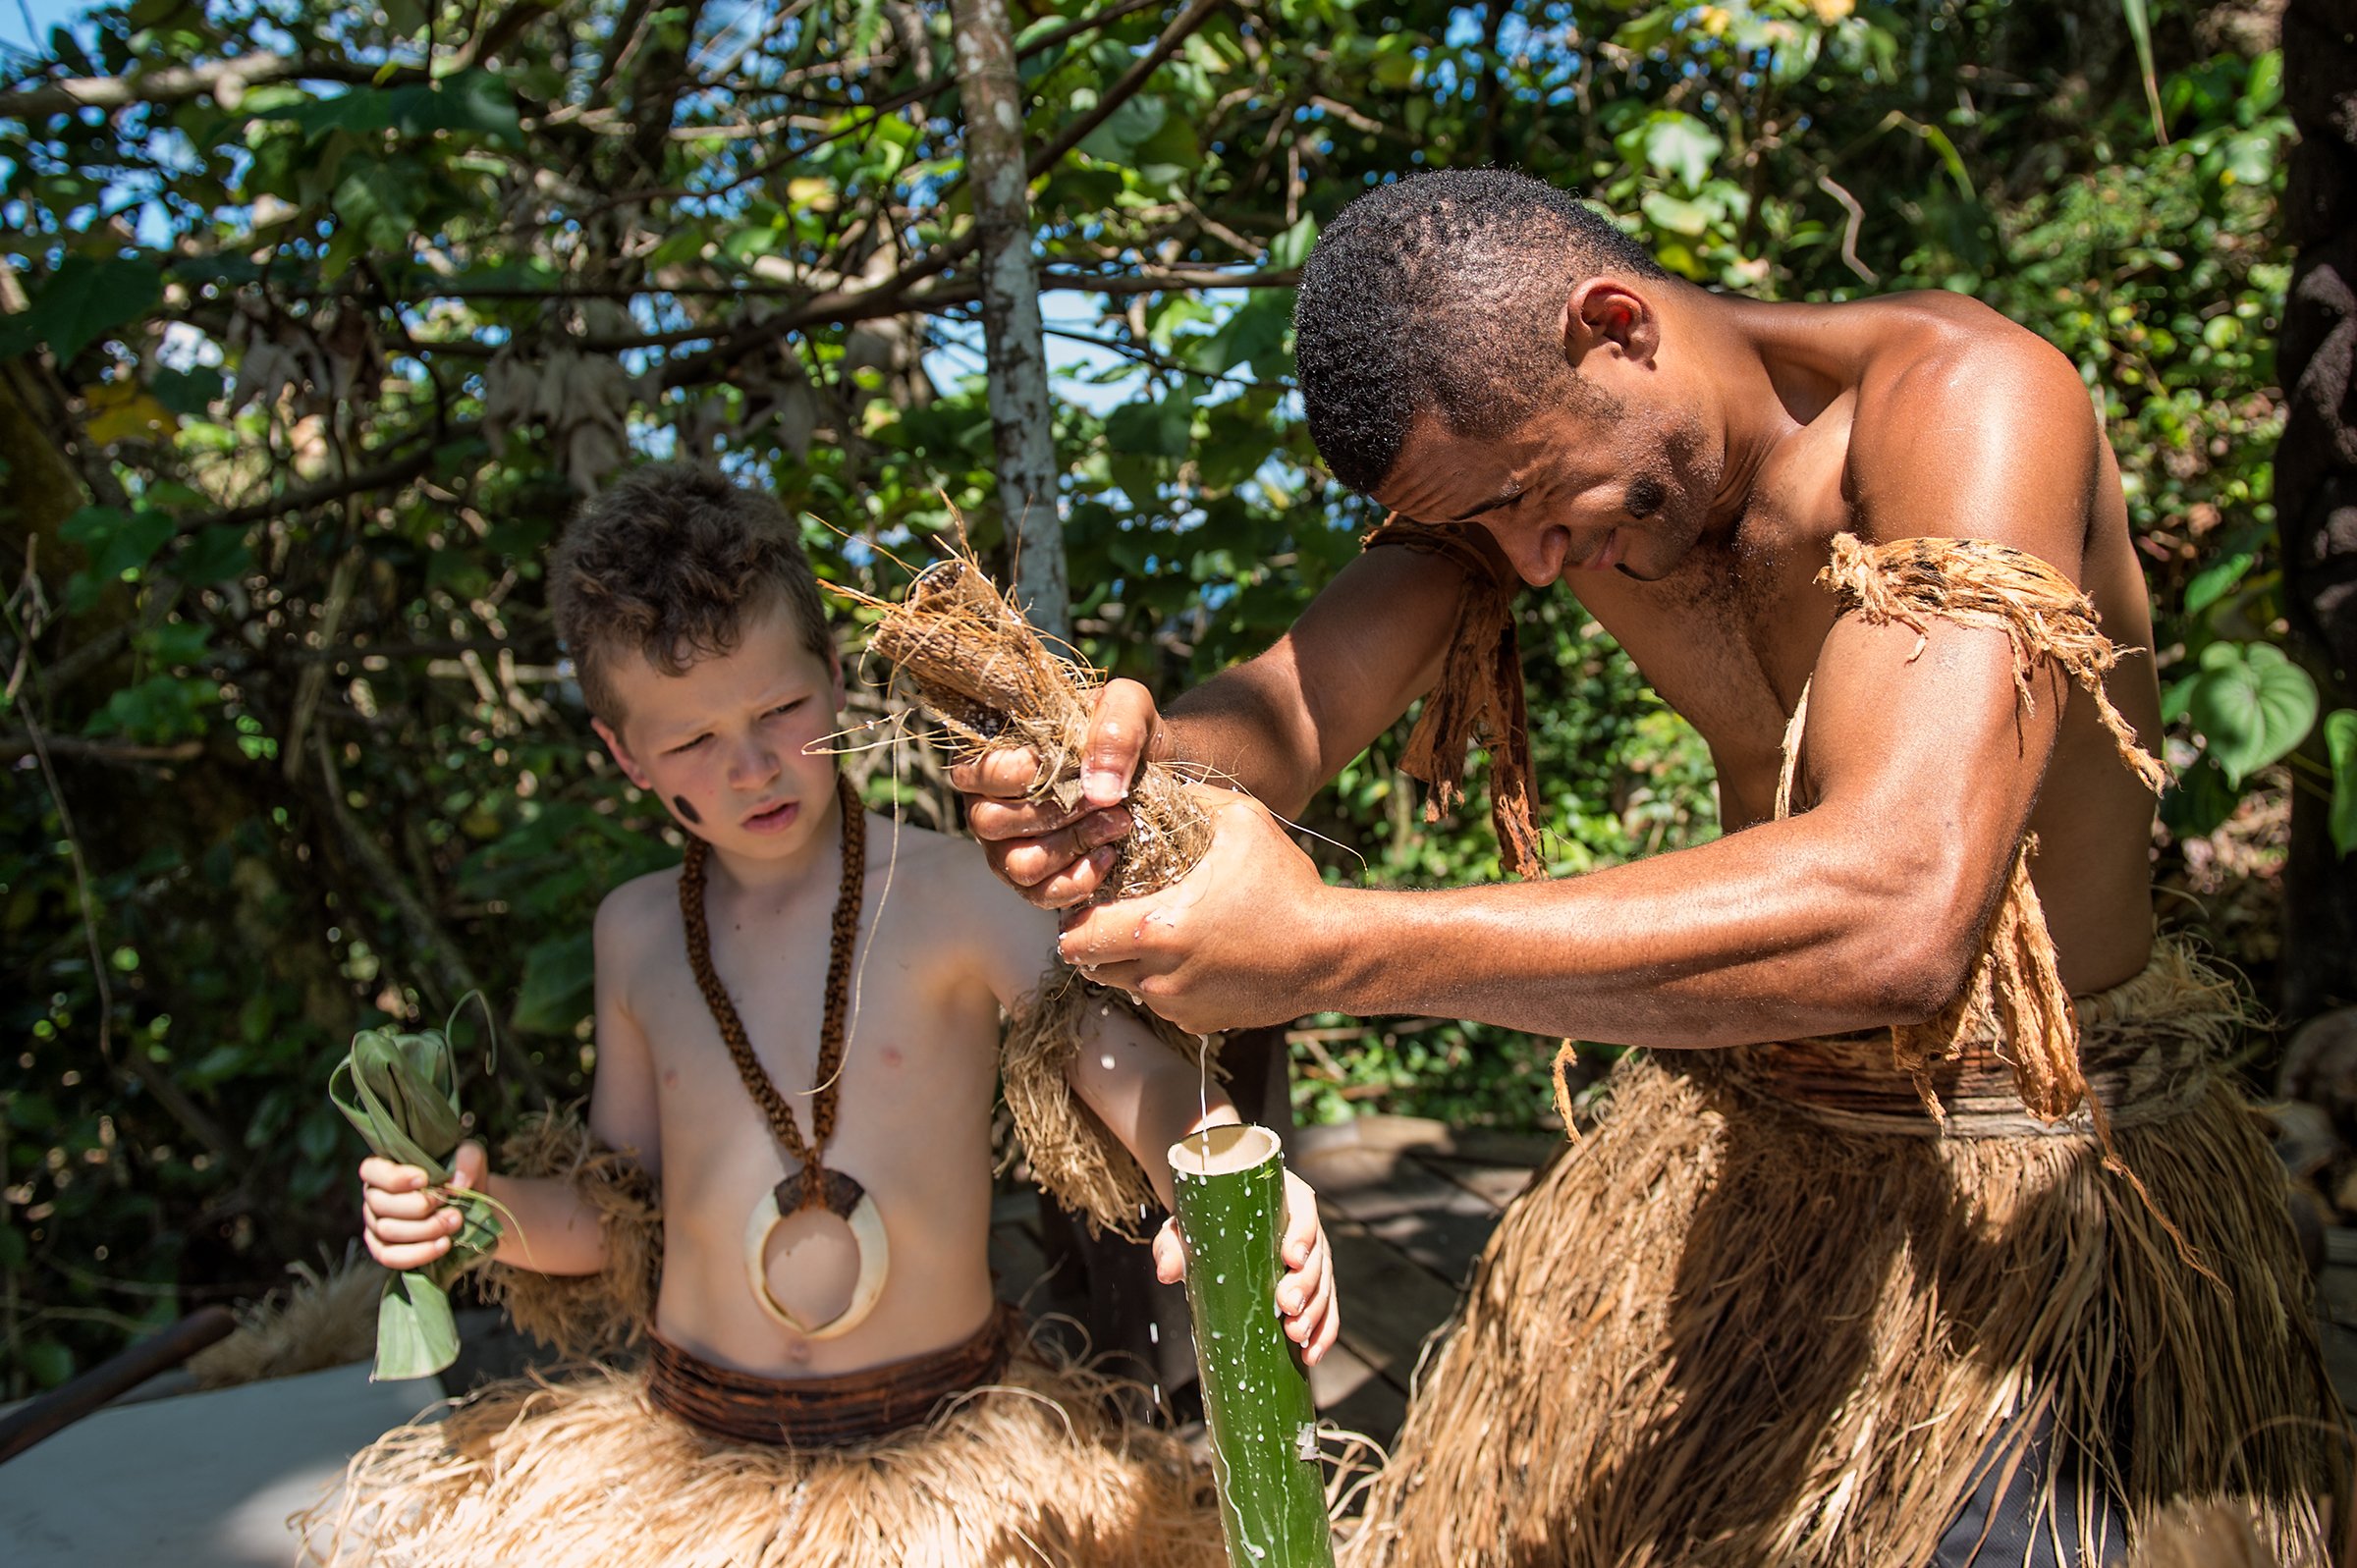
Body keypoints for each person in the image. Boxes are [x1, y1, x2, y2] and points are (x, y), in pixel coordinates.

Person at [951, 170, 2343, 1565]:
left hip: (2030, 1204)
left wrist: (1336, 945)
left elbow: (1906, 906)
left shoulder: (1965, 405)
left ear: (1612, 324)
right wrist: (1114, 778)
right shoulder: (1529, 480)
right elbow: (1289, 719)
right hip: (1763, 1157)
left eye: (1532, 502)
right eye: (1490, 530)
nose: (1536, 568)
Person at [316, 463, 1340, 1568]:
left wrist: (1214, 1165)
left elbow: (1119, 1064)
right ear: (624, 755)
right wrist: (474, 1206)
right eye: (693, 742)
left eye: (779, 708)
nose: (751, 763)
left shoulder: (958, 891)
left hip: (946, 1458)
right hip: (688, 1454)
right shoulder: (639, 933)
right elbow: (613, 1212)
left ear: (836, 677)